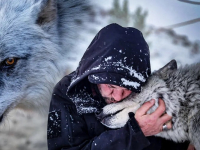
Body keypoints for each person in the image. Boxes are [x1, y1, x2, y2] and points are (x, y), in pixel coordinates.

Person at [47, 23, 190, 150]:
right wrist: (134, 133)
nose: (117, 97)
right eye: (111, 86)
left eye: (127, 89)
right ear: (94, 74)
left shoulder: (144, 92)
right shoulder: (65, 93)